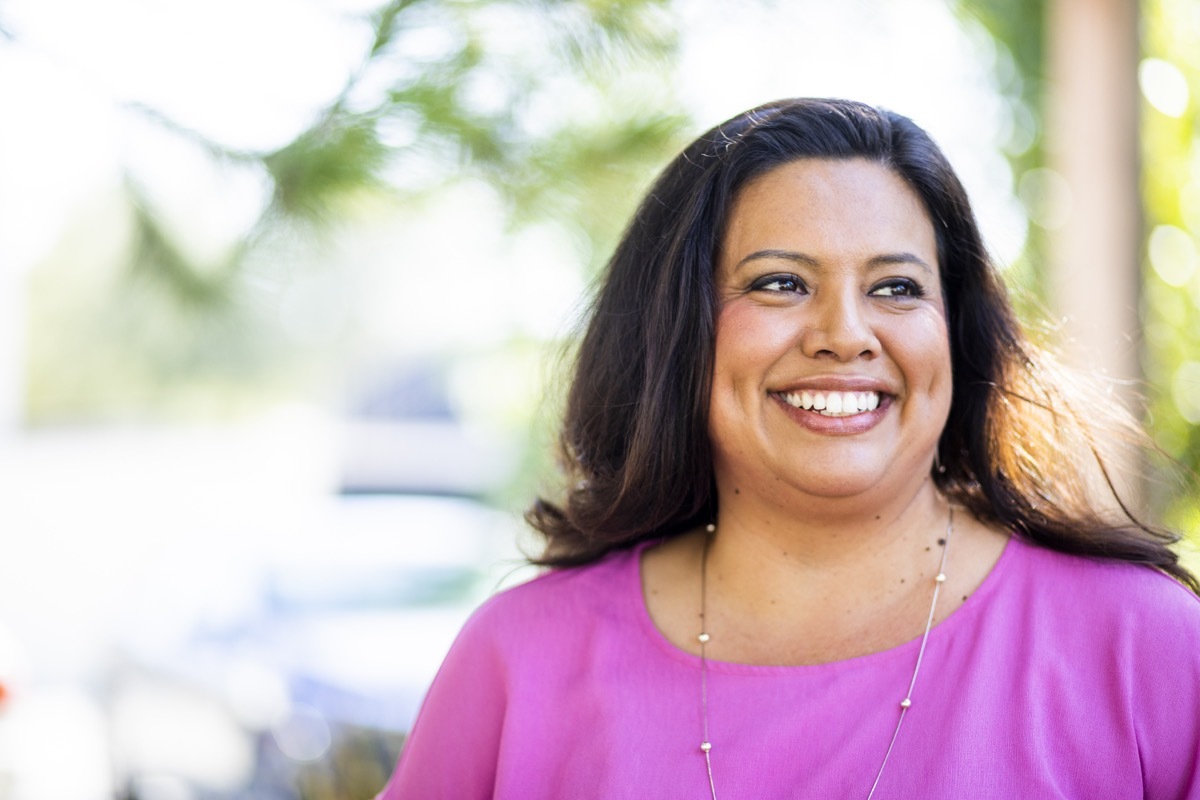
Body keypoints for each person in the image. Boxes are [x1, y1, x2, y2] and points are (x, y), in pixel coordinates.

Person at [378, 98, 1200, 799]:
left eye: (896, 288)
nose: (845, 335)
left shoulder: (1145, 646)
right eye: (780, 283)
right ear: (678, 330)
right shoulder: (519, 662)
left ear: (960, 335)